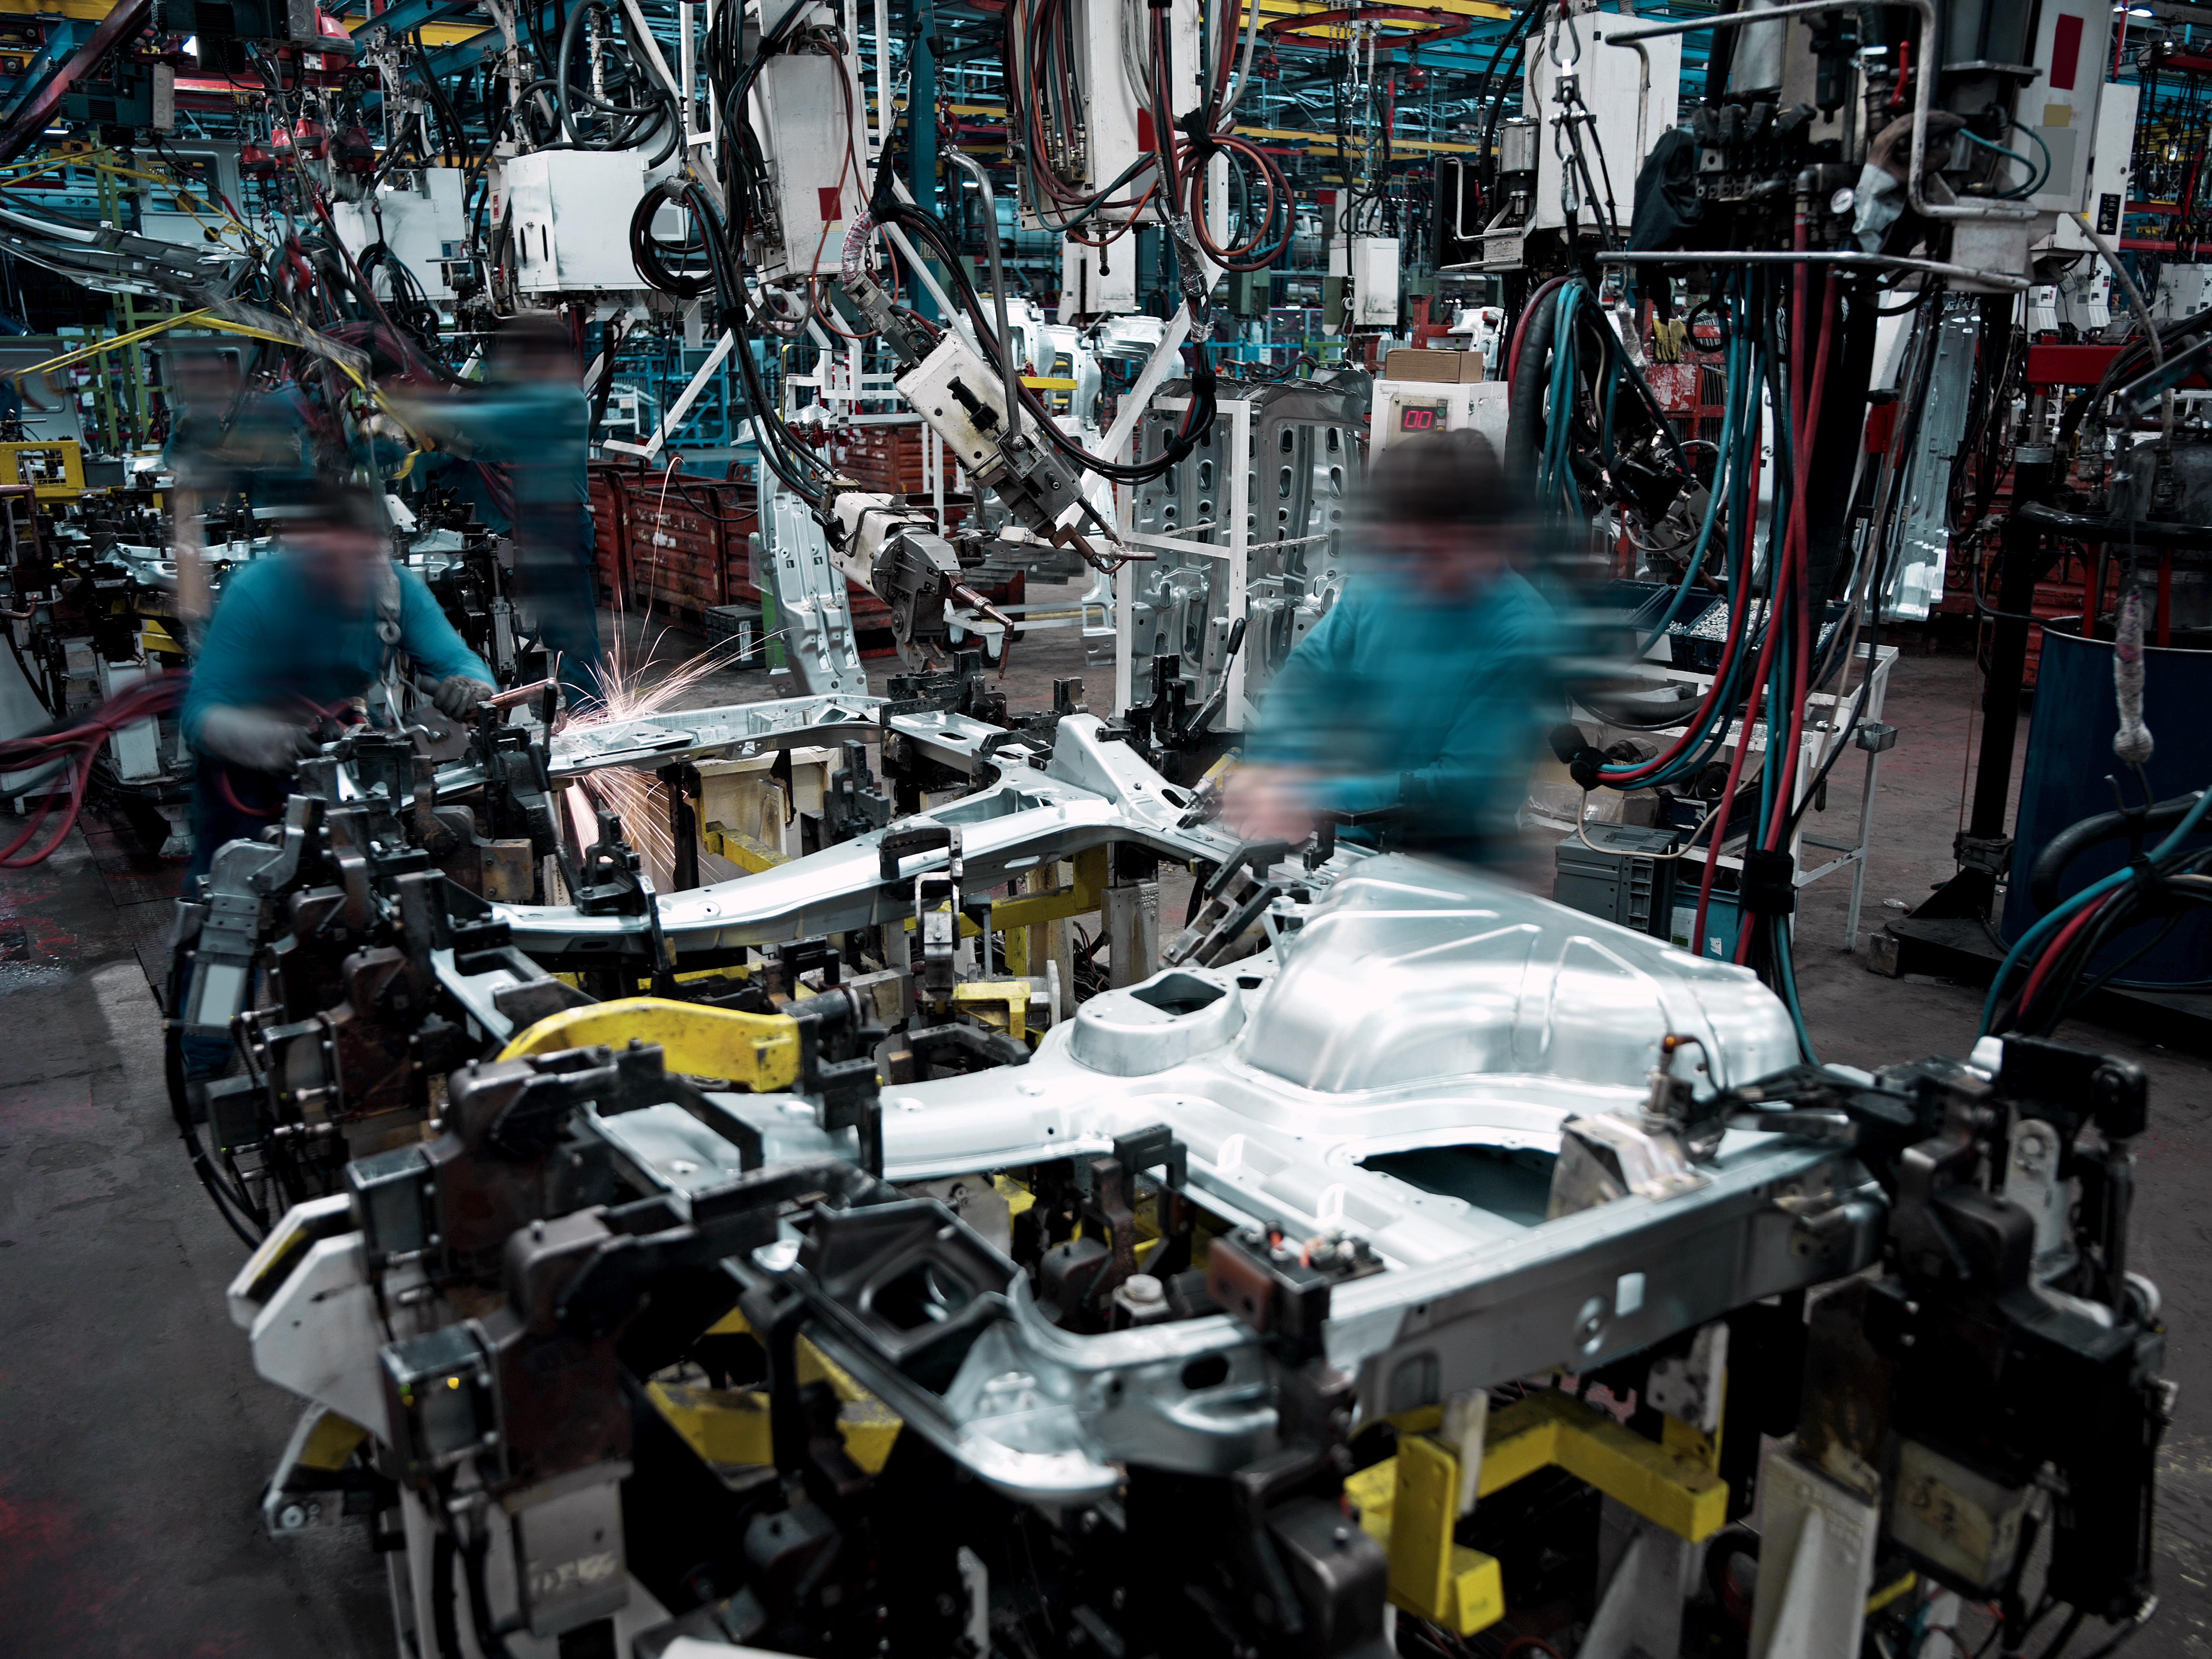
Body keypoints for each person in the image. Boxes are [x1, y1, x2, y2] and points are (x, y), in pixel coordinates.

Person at [1222, 428, 1562, 865]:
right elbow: (1306, 676)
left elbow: (1461, 785)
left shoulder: (1521, 635)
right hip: (1337, 843)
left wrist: (1312, 799)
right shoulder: (1385, 584)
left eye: (1428, 548)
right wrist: (1275, 766)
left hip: (1445, 869)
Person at [181, 484, 494, 881]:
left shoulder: (393, 590)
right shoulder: (256, 594)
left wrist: (473, 686)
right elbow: (200, 716)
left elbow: (456, 660)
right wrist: (279, 743)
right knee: (234, 894)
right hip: (249, 778)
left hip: (344, 749)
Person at [395, 314, 603, 707]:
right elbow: (487, 448)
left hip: (560, 525)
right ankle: (570, 710)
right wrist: (439, 439)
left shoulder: (562, 399)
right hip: (534, 525)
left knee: (571, 634)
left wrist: (420, 409)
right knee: (550, 633)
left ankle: (594, 716)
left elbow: (493, 427)